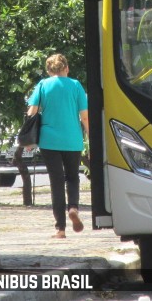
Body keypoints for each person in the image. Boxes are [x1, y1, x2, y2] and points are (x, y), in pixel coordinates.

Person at [27, 54, 89, 239]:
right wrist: (91, 140)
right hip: (72, 140)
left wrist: (29, 137)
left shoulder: (43, 85)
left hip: (49, 140)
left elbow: (32, 111)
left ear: (48, 70)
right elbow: (85, 117)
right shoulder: (76, 85)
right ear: (67, 68)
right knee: (72, 177)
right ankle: (73, 208)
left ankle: (60, 229)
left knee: (56, 182)